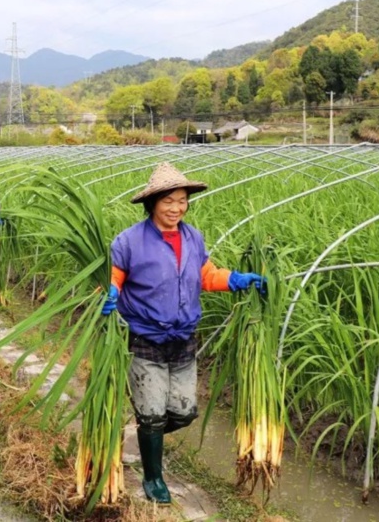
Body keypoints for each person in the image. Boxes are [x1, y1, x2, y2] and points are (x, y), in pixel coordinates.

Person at [101, 162, 266, 504]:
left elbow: (205, 274)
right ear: (152, 204)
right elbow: (113, 279)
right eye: (168, 201)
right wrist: (110, 294)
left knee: (184, 412)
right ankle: (153, 477)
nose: (176, 208)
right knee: (152, 413)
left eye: (182, 200)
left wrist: (235, 279)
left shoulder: (193, 237)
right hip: (144, 338)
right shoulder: (129, 241)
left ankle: (142, 437)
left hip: (183, 338)